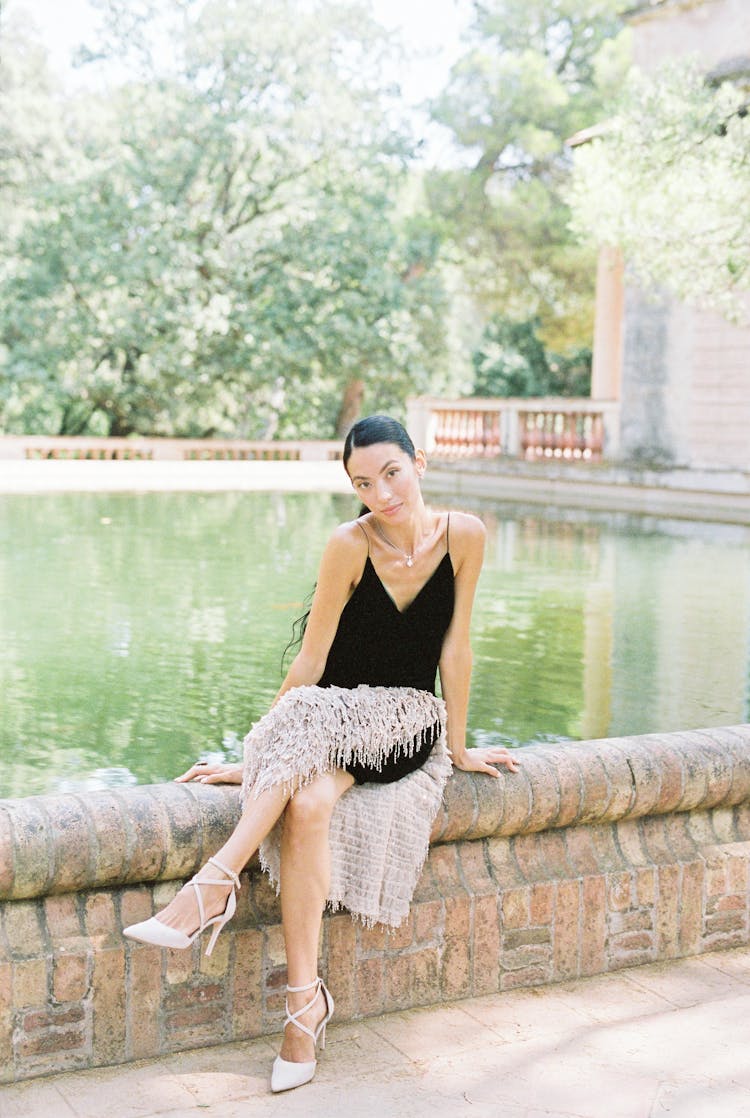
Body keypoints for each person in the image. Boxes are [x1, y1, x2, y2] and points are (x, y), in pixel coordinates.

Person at [123, 414, 519, 1092]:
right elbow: (312, 661)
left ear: (419, 463)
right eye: (364, 483)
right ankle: (303, 1012)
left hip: (404, 720)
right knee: (306, 805)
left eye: (392, 473)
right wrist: (262, 753)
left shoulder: (465, 535)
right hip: (327, 717)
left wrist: (457, 746)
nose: (382, 493)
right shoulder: (348, 544)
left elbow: (456, 645)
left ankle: (213, 886)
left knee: (310, 731)